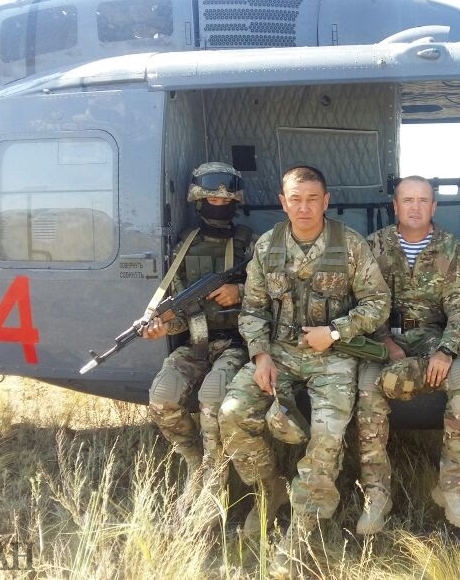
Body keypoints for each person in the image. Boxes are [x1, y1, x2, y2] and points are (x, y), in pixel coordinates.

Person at [218, 166, 390, 547]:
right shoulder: (268, 246)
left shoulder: (349, 244)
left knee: (326, 436)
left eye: (313, 199)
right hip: (279, 355)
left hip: (333, 357)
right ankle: (269, 488)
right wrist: (260, 355)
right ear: (283, 202)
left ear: (326, 201)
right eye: (295, 199)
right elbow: (252, 309)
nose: (304, 208)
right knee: (231, 414)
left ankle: (302, 530)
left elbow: (379, 303)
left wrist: (335, 331)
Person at [355, 176, 460, 534]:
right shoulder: (374, 245)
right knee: (368, 394)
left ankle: (451, 489)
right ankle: (377, 495)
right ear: (395, 206)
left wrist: (446, 351)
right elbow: (362, 300)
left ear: (434, 207)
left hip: (433, 336)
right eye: (407, 200)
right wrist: (385, 342)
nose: (415, 207)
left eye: (423, 200)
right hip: (383, 337)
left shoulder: (449, 247)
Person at [140, 162, 254, 522]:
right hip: (196, 343)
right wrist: (163, 327)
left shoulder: (250, 243)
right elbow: (177, 310)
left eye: (226, 199)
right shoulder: (185, 245)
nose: (219, 204)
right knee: (162, 397)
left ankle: (215, 480)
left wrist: (240, 292)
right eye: (212, 199)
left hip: (236, 344)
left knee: (211, 398)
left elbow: (273, 294)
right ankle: (196, 463)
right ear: (198, 200)